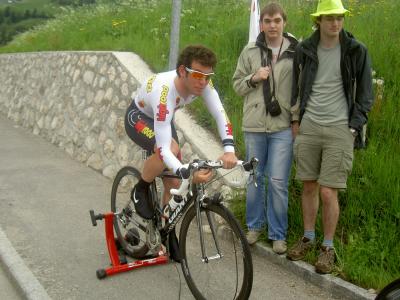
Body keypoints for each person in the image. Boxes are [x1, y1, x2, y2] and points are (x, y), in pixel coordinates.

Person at [125, 44, 238, 262]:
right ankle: (140, 188)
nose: (202, 81)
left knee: (174, 186)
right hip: (138, 117)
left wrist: (229, 150)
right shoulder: (164, 90)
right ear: (182, 71)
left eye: (207, 76)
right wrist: (185, 171)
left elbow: (220, 114)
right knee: (172, 151)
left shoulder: (202, 82)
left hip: (163, 119)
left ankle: (167, 232)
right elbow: (164, 148)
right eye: (197, 75)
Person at [287, 0, 373, 274]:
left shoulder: (356, 51)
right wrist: (296, 120)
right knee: (309, 186)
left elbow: (365, 95)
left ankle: (328, 247)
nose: (335, 23)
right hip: (309, 125)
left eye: (339, 18)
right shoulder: (305, 49)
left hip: (340, 128)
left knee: (328, 190)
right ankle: (308, 237)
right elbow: (296, 87)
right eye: (329, 18)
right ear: (319, 21)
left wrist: (352, 128)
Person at [232, 2, 298, 254]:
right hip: (255, 126)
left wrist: (295, 120)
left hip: (282, 126)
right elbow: (237, 85)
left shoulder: (296, 51)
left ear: (284, 22)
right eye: (267, 20)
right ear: (261, 24)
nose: (272, 25)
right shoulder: (249, 51)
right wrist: (253, 78)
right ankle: (254, 227)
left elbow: (301, 89)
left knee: (279, 181)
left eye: (277, 20)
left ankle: (278, 234)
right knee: (255, 178)